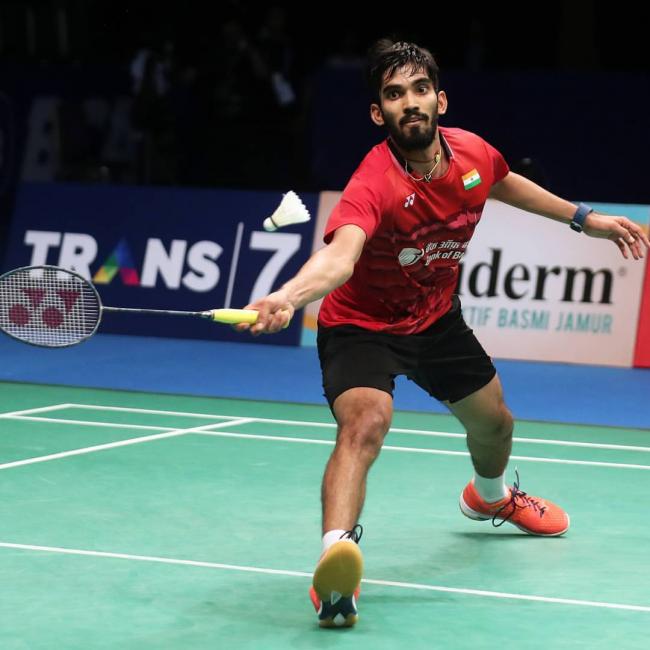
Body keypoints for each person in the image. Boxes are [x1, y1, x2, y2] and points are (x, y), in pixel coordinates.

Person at [235, 39, 650, 628]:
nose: (410, 102)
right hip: (361, 327)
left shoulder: (472, 153)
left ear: (440, 99)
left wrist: (586, 219)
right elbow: (340, 258)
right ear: (378, 112)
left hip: (434, 319)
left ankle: (488, 497)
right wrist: (288, 296)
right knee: (365, 423)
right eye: (394, 94)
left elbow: (503, 181)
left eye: (419, 89)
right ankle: (335, 566)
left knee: (496, 424)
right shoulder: (372, 183)